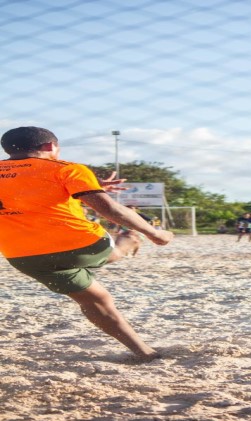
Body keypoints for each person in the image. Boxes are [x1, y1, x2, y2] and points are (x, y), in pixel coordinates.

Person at [0, 126, 174, 361]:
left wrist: (93, 185)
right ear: (50, 147)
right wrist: (155, 234)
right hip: (81, 246)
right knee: (110, 251)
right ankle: (127, 243)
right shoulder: (68, 169)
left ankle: (144, 353)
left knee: (96, 300)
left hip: (24, 255)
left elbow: (23, 189)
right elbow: (109, 209)